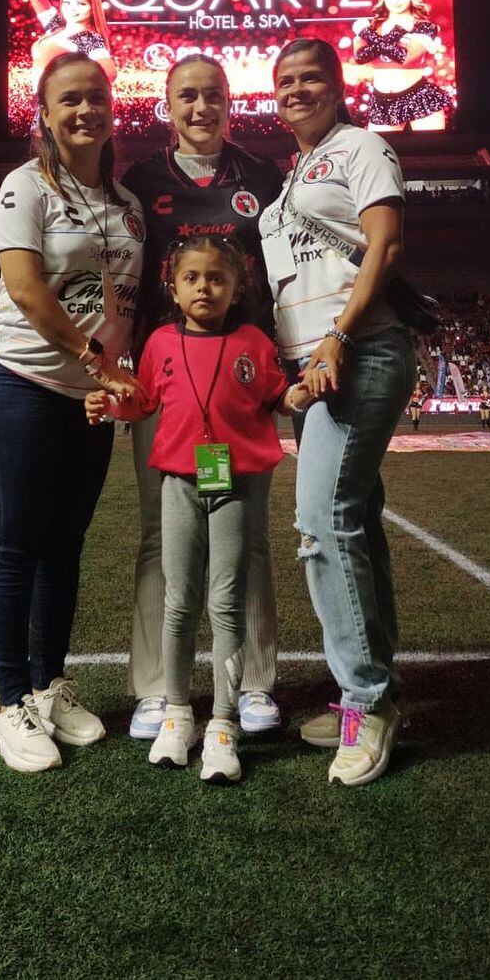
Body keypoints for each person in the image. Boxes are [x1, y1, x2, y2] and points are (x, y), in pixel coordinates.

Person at [0, 53, 144, 775]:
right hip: (18, 381)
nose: (85, 111)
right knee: (17, 542)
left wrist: (112, 376)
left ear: (112, 110)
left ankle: (50, 685)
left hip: (85, 398)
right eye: (69, 99)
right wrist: (98, 360)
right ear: (44, 113)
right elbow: (28, 290)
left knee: (65, 545)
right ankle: (10, 703)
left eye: (96, 98)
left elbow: (122, 305)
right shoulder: (25, 187)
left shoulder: (127, 205)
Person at [87, 235, 313, 783]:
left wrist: (300, 395)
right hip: (180, 482)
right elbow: (144, 401)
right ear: (173, 287)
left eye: (216, 278)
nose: (204, 287)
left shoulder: (254, 342)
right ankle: (176, 713)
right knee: (179, 600)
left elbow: (274, 396)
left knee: (227, 600)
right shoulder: (161, 341)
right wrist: (109, 398)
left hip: (236, 482)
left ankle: (222, 722)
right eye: (192, 278)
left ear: (236, 289)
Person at [260, 37, 416, 788]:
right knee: (354, 522)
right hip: (311, 368)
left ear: (337, 85)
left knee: (322, 525)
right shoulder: (292, 176)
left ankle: (366, 704)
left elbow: (383, 246)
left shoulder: (362, 146)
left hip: (357, 353)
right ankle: (379, 693)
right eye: (285, 81)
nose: (296, 89)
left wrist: (338, 339)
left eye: (310, 78)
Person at [119, 55, 286, 741]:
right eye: (186, 96)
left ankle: (250, 682)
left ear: (229, 102)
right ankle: (158, 687)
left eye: (212, 95)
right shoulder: (141, 180)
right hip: (167, 382)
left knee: (245, 537)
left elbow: (279, 273)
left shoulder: (262, 177)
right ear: (167, 104)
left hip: (237, 383)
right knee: (163, 537)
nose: (200, 107)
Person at [352, 0, 451, 132]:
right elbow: (361, 57)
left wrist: (372, 36)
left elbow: (403, 58)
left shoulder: (424, 27)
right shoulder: (371, 26)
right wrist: (388, 36)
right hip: (382, 100)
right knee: (380, 153)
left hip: (419, 96)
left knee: (430, 151)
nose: (396, 0)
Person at [28, 0, 118, 85]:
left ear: (93, 6)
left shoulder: (89, 38)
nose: (72, 8)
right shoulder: (55, 26)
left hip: (55, 99)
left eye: (81, 4)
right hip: (39, 99)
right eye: (67, 3)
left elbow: (109, 74)